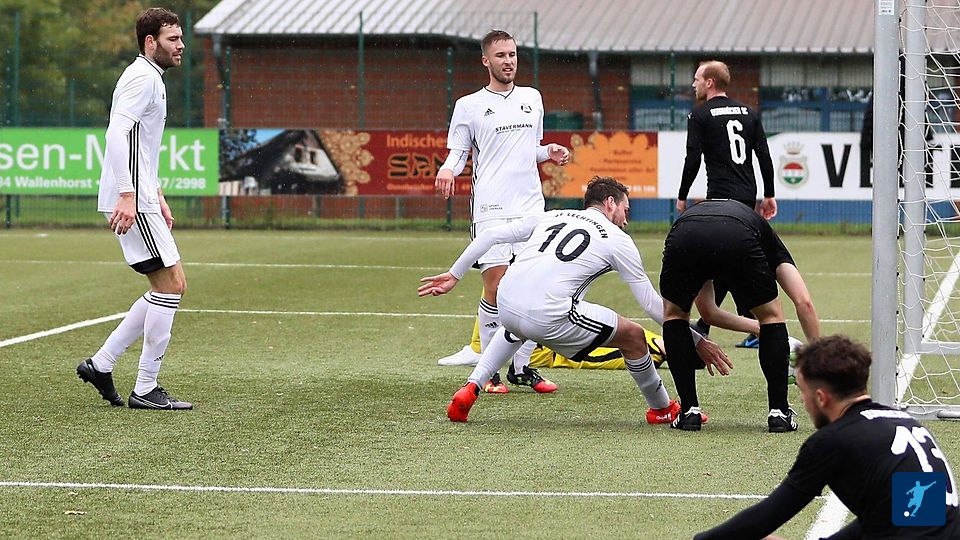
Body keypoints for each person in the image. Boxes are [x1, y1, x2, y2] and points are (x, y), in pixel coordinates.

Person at [419, 176, 735, 424]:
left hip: (507, 303)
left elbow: (490, 236)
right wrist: (697, 340)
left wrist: (455, 274)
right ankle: (662, 409)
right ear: (610, 203)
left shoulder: (552, 215)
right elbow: (654, 306)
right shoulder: (618, 239)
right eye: (626, 210)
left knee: (517, 325)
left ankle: (471, 387)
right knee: (634, 336)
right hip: (547, 314)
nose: (626, 219)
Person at [695, 335, 960, 539]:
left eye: (803, 391)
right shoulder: (903, 423)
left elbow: (770, 515)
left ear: (821, 398)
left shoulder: (832, 441)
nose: (802, 399)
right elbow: (907, 517)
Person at [434, 29, 570, 394]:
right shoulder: (468, 105)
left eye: (512, 55)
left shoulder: (532, 97)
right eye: (501, 56)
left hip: (530, 205)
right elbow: (459, 152)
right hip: (491, 207)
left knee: (533, 287)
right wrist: (448, 169)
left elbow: (531, 148)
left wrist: (549, 151)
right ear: (486, 60)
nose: (508, 61)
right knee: (495, 286)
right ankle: (490, 371)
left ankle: (521, 368)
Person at [75, 7, 191, 410]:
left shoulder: (151, 76)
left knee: (168, 286)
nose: (181, 45)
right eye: (173, 39)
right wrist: (129, 195)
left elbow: (141, 146)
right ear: (150, 42)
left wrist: (156, 192)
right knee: (171, 286)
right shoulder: (143, 77)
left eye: (181, 38)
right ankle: (145, 388)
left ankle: (102, 364)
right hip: (133, 200)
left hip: (141, 196)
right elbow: (116, 134)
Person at [660, 199, 797, 432]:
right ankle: (779, 413)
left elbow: (708, 313)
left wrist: (756, 329)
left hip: (685, 235)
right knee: (772, 316)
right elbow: (803, 302)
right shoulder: (761, 232)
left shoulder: (698, 229)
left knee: (674, 315)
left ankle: (689, 412)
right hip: (736, 235)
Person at [677, 60, 776, 349]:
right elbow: (764, 155)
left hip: (720, 197)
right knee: (727, 258)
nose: (693, 84)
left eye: (697, 79)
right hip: (746, 196)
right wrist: (769, 194)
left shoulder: (700, 115)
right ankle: (714, 324)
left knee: (721, 259)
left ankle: (750, 325)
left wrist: (682, 195)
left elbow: (692, 158)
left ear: (709, 82)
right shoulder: (749, 113)